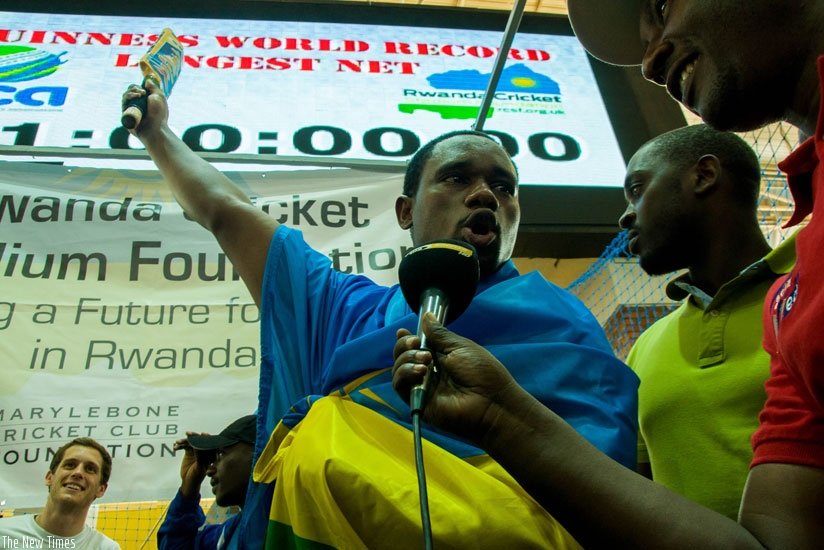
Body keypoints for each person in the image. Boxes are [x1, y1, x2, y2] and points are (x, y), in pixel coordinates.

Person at [122, 79, 639, 549]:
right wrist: (158, 136)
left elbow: (604, 493)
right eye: (456, 178)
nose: (485, 194)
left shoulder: (564, 322)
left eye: (504, 187)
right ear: (405, 211)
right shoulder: (344, 309)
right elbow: (227, 211)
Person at [393, 2, 824, 548]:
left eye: (661, 6)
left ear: (705, 176)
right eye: (454, 178)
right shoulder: (775, 307)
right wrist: (502, 418)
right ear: (406, 210)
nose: (648, 60)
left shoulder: (793, 283)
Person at [621, 123, 796, 519]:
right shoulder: (644, 347)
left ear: (704, 175)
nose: (625, 216)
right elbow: (642, 494)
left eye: (637, 189)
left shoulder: (810, 290)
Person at [157, 414, 257, 550]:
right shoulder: (231, 532)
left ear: (258, 454)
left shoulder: (288, 520)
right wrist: (189, 489)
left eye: (221, 454)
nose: (209, 470)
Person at [0, 438, 119, 549]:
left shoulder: (105, 547)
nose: (78, 472)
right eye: (70, 465)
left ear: (101, 489)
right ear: (49, 478)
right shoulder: (3, 533)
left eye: (89, 469)